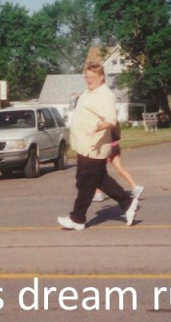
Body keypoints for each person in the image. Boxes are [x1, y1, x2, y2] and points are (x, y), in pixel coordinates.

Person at [58, 62, 139, 230]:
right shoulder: (90, 92)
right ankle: (127, 203)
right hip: (85, 146)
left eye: (92, 77)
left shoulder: (105, 95)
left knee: (86, 182)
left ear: (102, 77)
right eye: (87, 77)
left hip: (94, 147)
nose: (89, 80)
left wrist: (97, 128)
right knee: (100, 179)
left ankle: (77, 219)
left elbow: (111, 119)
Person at [93, 122, 144, 202]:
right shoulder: (113, 121)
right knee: (120, 169)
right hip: (115, 145)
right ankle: (135, 187)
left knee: (97, 171)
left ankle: (98, 194)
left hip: (107, 147)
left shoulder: (103, 122)